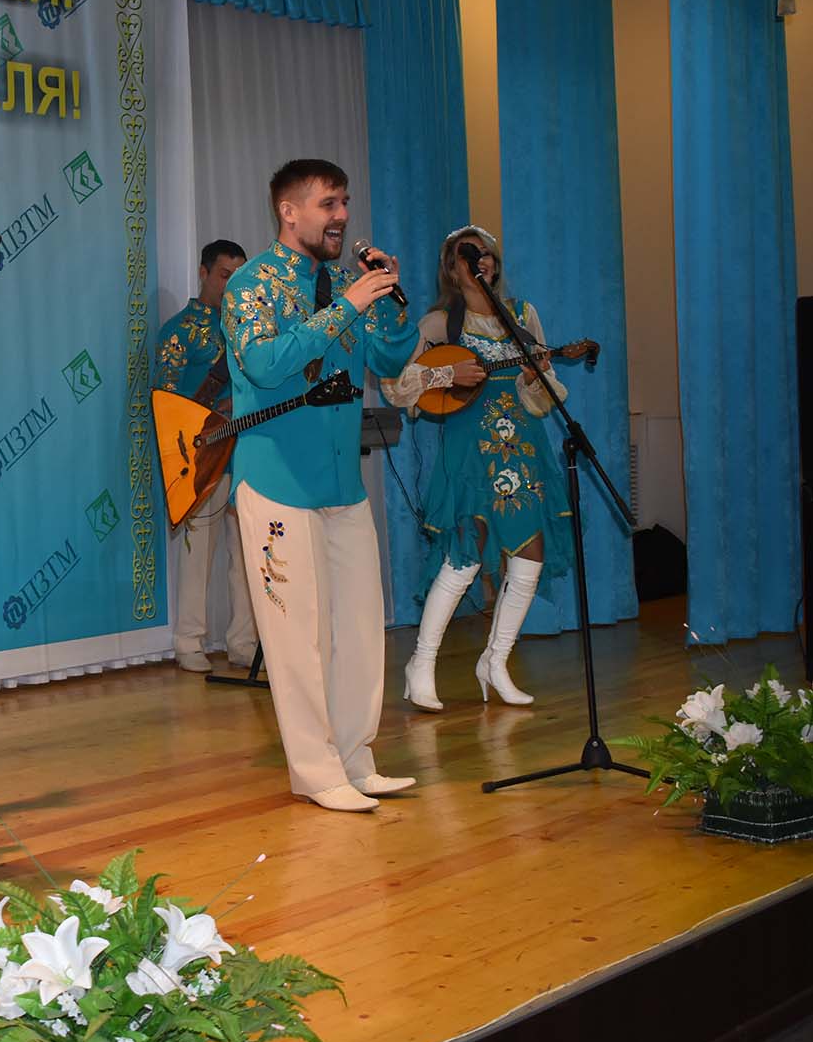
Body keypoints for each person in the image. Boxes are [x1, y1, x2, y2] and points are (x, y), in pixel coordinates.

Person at [221, 159, 418, 814]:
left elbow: (391, 359)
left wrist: (386, 302)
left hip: (342, 483)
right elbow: (265, 363)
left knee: (359, 629)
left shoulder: (343, 284)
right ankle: (315, 771)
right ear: (289, 211)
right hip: (277, 482)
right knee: (297, 640)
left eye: (345, 202)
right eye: (329, 203)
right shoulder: (252, 284)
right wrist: (347, 307)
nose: (342, 216)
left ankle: (356, 759)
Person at [382, 226, 571, 711]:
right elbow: (396, 387)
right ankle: (421, 663)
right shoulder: (439, 323)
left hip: (521, 448)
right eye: (469, 255)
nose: (480, 261)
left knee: (530, 555)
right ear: (452, 268)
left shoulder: (523, 316)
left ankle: (495, 661)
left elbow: (541, 399)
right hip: (470, 452)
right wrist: (447, 373)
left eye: (485, 254)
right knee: (465, 554)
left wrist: (533, 377)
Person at [156, 239, 259, 673]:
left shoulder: (251, 329)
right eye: (223, 275)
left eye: (239, 276)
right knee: (197, 554)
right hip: (202, 458)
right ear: (203, 273)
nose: (231, 284)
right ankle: (189, 641)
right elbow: (165, 398)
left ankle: (243, 641)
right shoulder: (180, 330)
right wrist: (216, 411)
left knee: (248, 556)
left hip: (248, 454)